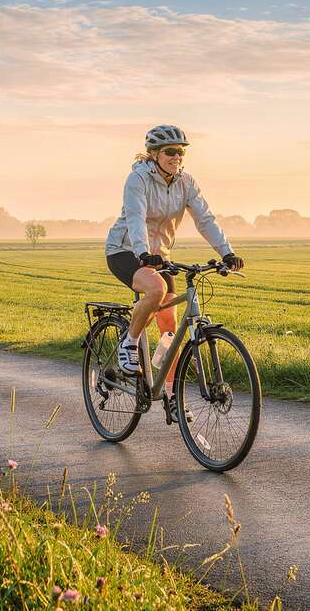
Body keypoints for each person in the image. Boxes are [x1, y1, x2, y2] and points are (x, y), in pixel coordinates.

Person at [104, 124, 245, 423]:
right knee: (154, 290)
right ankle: (128, 344)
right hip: (125, 249)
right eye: (170, 151)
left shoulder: (186, 182)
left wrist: (226, 252)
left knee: (170, 330)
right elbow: (136, 218)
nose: (176, 156)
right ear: (154, 154)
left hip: (160, 256)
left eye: (181, 152)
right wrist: (143, 253)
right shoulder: (138, 179)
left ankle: (170, 395)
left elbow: (205, 218)